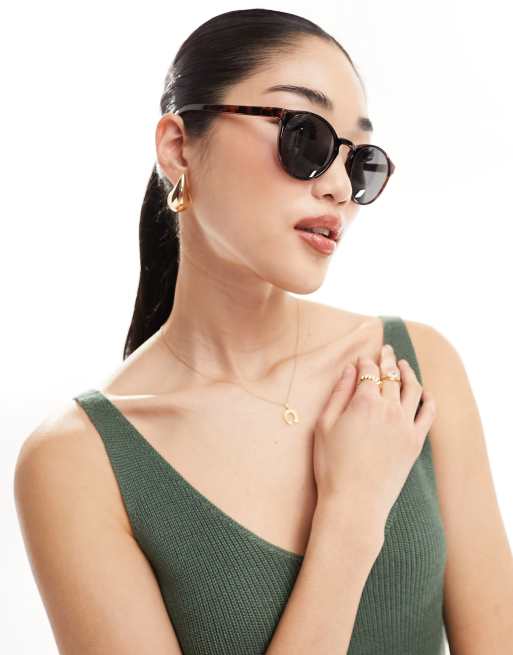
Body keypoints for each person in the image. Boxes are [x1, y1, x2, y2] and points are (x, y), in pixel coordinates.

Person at [14, 8, 513, 655]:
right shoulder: (77, 463)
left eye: (359, 160)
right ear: (178, 147)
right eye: (305, 137)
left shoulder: (411, 370)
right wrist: (351, 514)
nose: (339, 187)